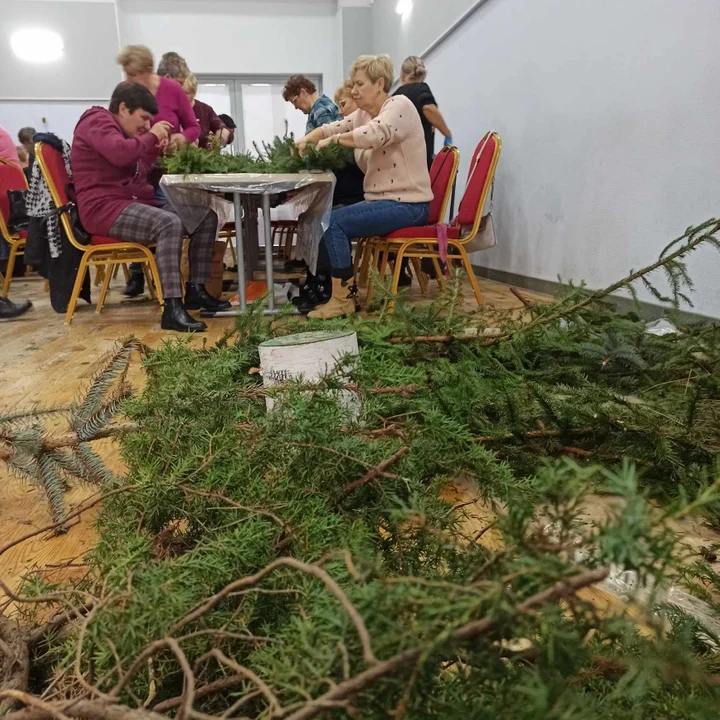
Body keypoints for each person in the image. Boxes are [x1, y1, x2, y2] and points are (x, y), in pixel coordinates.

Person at [71, 82, 230, 333]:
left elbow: (138, 166)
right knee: (168, 223)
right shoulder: (96, 122)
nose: (146, 125)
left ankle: (196, 290)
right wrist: (152, 135)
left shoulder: (122, 132)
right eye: (143, 118)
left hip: (129, 204)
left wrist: (159, 149)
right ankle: (172, 308)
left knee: (205, 217)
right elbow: (120, 154)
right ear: (123, 108)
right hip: (103, 208)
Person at [297, 55, 432, 319]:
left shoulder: (399, 105)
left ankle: (342, 300)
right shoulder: (363, 114)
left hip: (409, 204)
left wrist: (334, 141)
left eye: (359, 84)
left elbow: (374, 133)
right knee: (327, 220)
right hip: (386, 202)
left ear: (379, 83)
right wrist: (306, 139)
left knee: (334, 223)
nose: (354, 90)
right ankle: (338, 295)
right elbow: (332, 127)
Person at [117, 45, 201, 297]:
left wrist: (179, 138)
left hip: (165, 171)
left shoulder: (173, 90)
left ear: (147, 70)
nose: (129, 80)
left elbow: (194, 127)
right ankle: (138, 273)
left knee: (173, 221)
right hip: (135, 171)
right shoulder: (125, 94)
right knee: (147, 218)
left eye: (133, 74)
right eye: (126, 74)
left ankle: (174, 285)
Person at [393, 56, 452, 169]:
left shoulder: (396, 95)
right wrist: (447, 134)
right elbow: (428, 108)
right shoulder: (421, 88)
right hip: (419, 161)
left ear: (402, 74)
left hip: (400, 162)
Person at [183, 73, 233, 149]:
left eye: (186, 93)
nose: (182, 96)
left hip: (201, 158)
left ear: (194, 92)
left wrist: (223, 131)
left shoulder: (205, 110)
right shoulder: (171, 109)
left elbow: (219, 124)